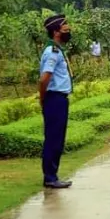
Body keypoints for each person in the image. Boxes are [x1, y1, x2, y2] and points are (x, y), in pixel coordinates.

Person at [39, 14, 73, 189]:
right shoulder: (52, 52)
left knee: (58, 138)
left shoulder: (57, 50)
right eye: (65, 27)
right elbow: (44, 78)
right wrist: (42, 98)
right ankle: (50, 177)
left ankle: (53, 175)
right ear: (56, 31)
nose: (68, 29)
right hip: (54, 98)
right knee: (53, 138)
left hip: (59, 98)